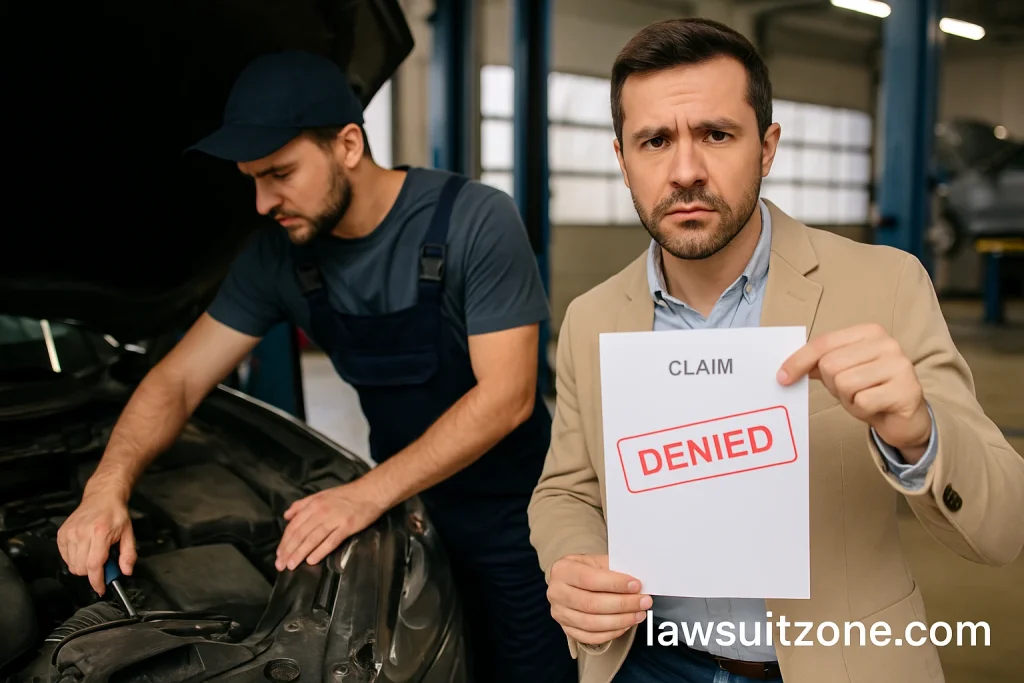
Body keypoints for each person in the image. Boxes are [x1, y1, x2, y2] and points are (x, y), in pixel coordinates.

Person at [527, 17, 1024, 683]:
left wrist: (920, 432)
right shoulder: (592, 319)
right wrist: (572, 559)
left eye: (716, 134)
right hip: (646, 663)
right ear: (623, 159)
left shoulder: (884, 284)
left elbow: (1005, 528)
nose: (685, 171)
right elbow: (566, 489)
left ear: (767, 147)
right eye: (654, 140)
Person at [55, 50, 576, 683]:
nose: (261, 201)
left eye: (279, 174)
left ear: (349, 144)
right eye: (252, 178)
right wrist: (105, 488)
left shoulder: (474, 220)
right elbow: (179, 377)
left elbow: (509, 397)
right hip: (409, 517)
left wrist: (364, 494)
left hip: (515, 522)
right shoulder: (279, 257)